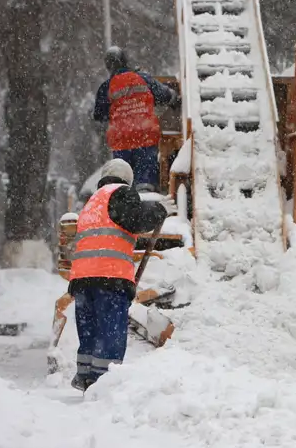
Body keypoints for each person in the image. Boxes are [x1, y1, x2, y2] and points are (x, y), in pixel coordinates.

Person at [68, 158, 176, 391]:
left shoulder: (92, 202)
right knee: (110, 331)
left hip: (82, 278)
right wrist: (159, 210)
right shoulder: (121, 192)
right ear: (128, 179)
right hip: (109, 276)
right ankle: (104, 382)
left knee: (90, 330)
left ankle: (85, 375)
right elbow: (136, 219)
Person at [92, 46, 180, 192]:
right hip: (145, 137)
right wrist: (174, 98)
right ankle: (146, 195)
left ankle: (126, 200)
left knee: (123, 182)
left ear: (108, 66)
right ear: (125, 61)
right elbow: (165, 95)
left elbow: (99, 115)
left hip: (121, 141)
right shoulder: (143, 78)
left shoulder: (106, 87)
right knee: (145, 183)